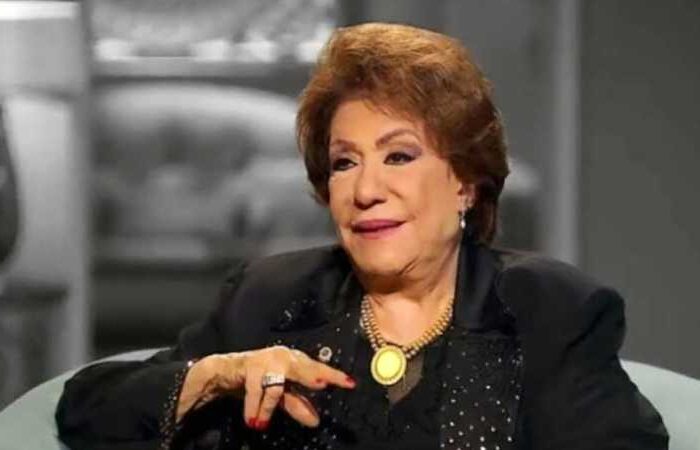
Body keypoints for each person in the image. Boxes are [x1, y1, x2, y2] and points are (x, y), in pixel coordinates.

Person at [55, 23, 668, 450]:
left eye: (398, 156)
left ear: (465, 182)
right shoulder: (271, 298)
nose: (366, 189)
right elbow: (87, 407)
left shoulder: (546, 309)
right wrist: (217, 375)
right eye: (345, 163)